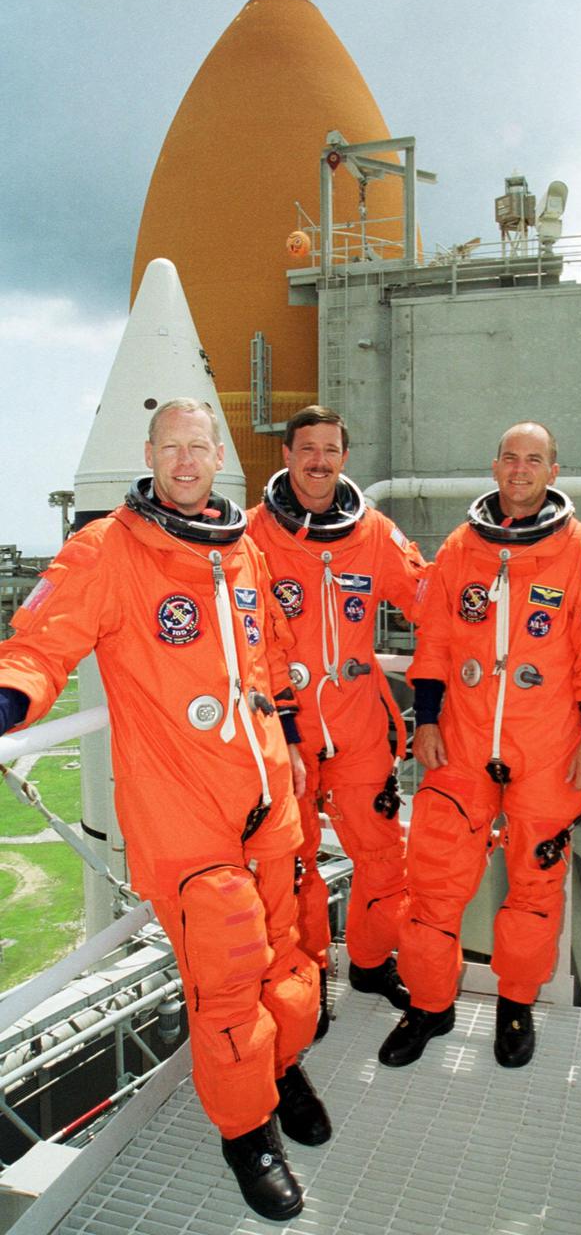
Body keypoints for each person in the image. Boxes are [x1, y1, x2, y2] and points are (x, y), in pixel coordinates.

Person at [0, 399, 330, 1222]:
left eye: (198, 446)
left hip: (265, 800)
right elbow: (40, 645)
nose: (185, 461)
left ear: (218, 453)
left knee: (288, 959)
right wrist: (9, 701)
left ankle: (279, 1069)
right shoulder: (106, 549)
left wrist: (286, 736)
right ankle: (247, 1135)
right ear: (148, 453)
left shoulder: (239, 548)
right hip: (182, 811)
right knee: (224, 983)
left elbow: (271, 656)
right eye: (170, 447)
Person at [378, 421, 581, 1068]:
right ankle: (430, 1004)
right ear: (495, 468)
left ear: (553, 471)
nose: (520, 469)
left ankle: (516, 1004)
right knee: (432, 880)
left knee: (534, 886)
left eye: (535, 459)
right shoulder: (462, 547)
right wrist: (426, 719)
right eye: (511, 458)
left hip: (546, 747)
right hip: (458, 744)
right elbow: (431, 642)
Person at [247, 406, 427, 1033]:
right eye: (307, 449)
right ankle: (307, 979)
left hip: (358, 728)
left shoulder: (374, 533)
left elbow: (428, 601)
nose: (319, 461)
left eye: (330, 450)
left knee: (383, 856)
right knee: (293, 867)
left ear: (344, 458)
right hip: (285, 733)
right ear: (287, 456)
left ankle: (373, 962)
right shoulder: (250, 538)